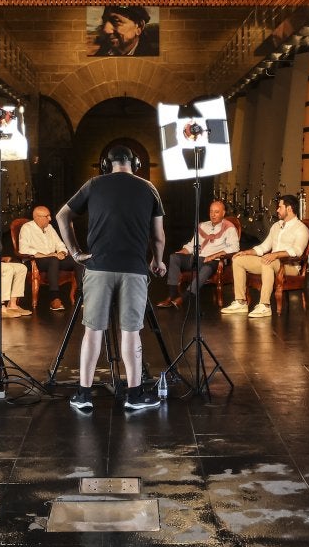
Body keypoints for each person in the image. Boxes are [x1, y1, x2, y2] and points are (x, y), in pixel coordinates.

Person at [56, 146, 167, 412]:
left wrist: (75, 252)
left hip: (98, 267)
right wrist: (157, 260)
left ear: (107, 165)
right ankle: (134, 395)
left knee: (93, 330)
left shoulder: (93, 184)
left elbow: (62, 215)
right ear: (135, 164)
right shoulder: (149, 188)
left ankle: (83, 395)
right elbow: (158, 235)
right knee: (131, 331)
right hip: (134, 268)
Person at [222, 194, 309, 319]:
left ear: (289, 209)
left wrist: (276, 254)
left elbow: (298, 251)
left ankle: (265, 305)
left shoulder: (301, 228)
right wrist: (247, 252)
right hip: (271, 262)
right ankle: (240, 302)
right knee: (238, 259)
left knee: (268, 260)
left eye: (280, 207)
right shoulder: (276, 226)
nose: (277, 210)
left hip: (290, 267)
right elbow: (264, 247)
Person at [156, 199, 239, 309]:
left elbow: (234, 247)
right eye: (211, 211)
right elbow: (192, 245)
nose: (213, 215)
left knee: (207, 267)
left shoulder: (229, 228)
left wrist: (214, 256)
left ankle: (184, 298)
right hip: (197, 258)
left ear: (223, 213)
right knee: (174, 257)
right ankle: (171, 296)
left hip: (213, 261)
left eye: (216, 212)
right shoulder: (203, 226)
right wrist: (183, 252)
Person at [18, 205, 78, 311]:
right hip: (35, 260)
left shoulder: (49, 227)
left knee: (77, 260)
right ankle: (54, 298)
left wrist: (62, 252)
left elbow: (59, 244)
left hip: (53, 258)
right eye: (47, 216)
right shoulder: (27, 228)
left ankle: (82, 295)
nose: (50, 219)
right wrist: (47, 255)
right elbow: (23, 250)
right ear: (37, 217)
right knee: (53, 260)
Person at [92, 5, 159, 57]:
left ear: (139, 27)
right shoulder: (103, 52)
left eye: (116, 21)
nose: (106, 30)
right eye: (104, 21)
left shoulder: (152, 54)